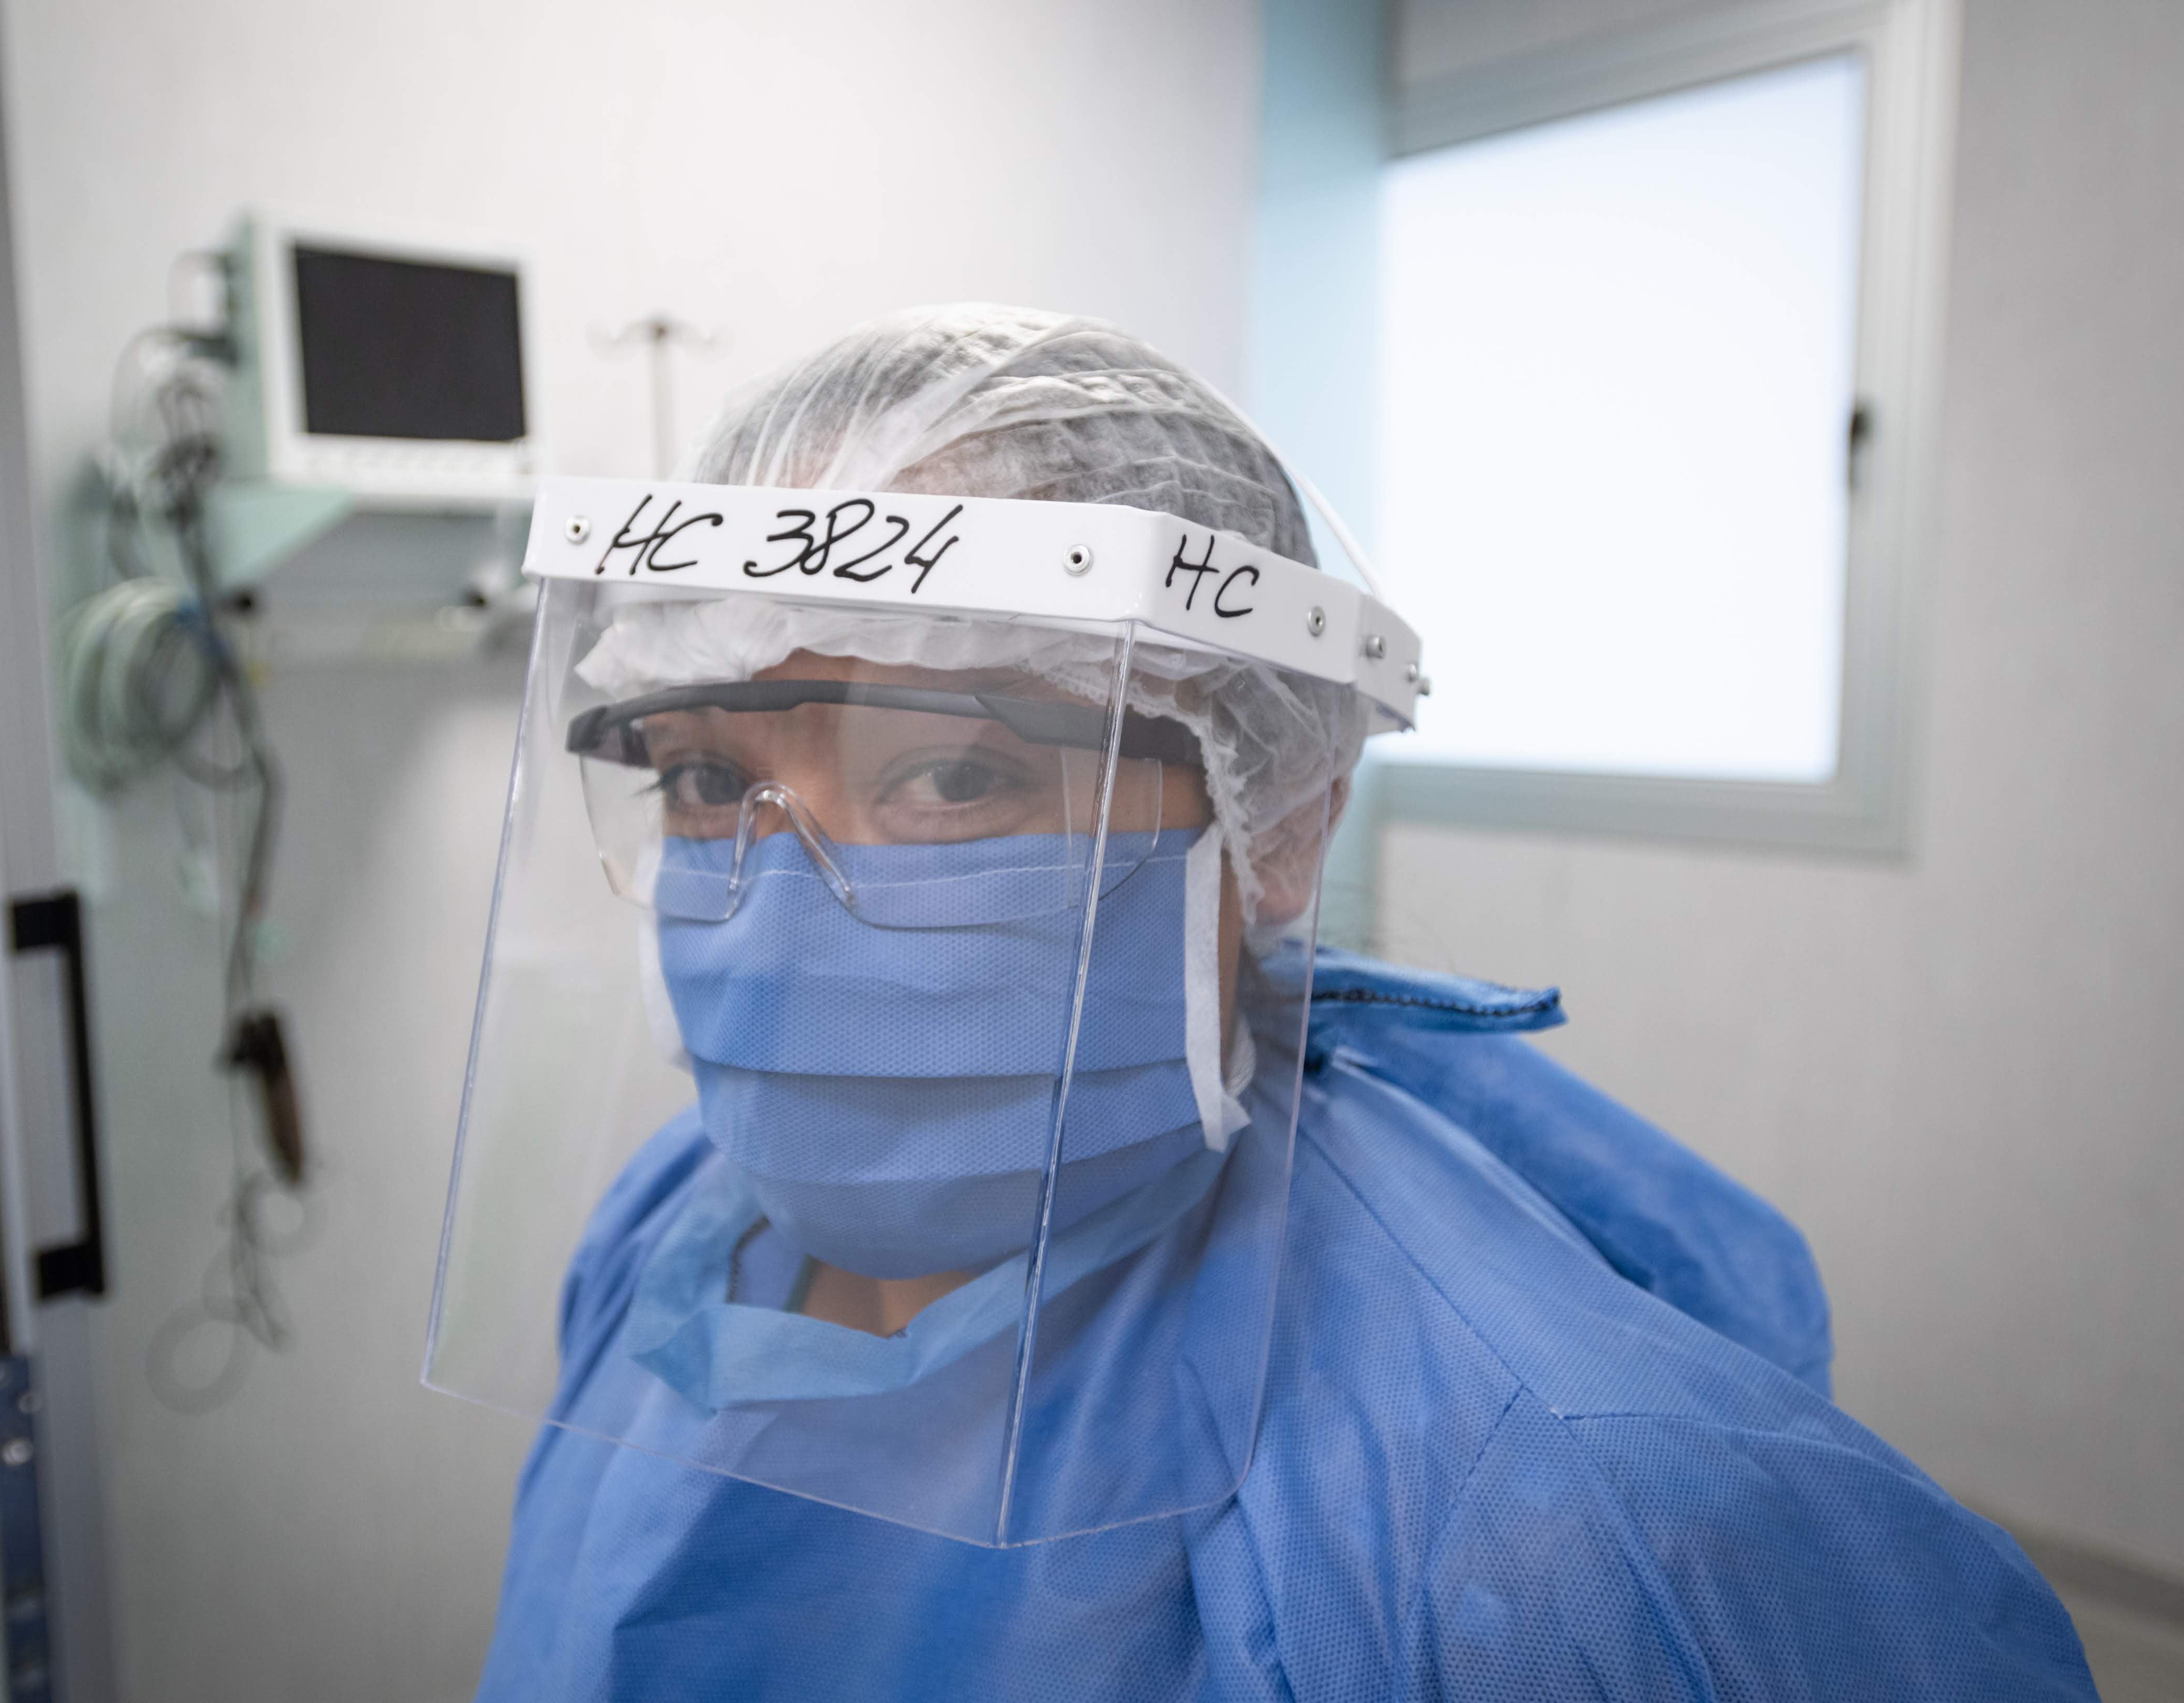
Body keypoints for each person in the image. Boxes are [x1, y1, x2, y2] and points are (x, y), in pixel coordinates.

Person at [460, 305, 2096, 1700]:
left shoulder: (1575, 1528)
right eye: (706, 781)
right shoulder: (676, 1238)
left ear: (1276, 817)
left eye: (952, 774)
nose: (780, 915)